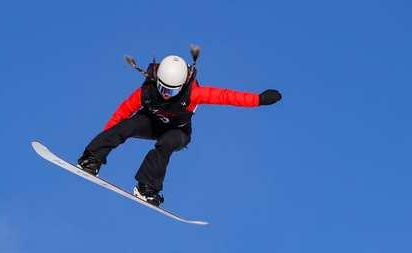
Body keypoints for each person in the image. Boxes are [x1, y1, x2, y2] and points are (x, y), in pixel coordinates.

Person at [77, 53, 282, 206]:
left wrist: (258, 100)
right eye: (163, 88)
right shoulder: (146, 92)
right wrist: (102, 141)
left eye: (171, 90)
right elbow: (120, 115)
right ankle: (91, 158)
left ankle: (147, 188)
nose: (166, 94)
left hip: (178, 132)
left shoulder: (194, 94)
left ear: (181, 86)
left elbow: (226, 96)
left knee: (167, 144)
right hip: (151, 123)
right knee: (128, 125)